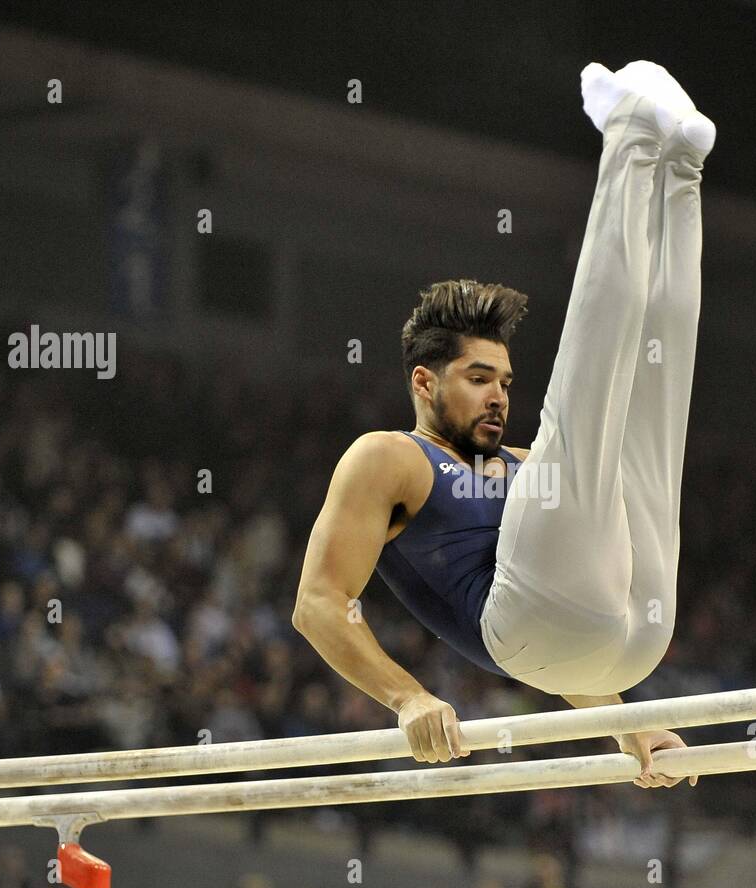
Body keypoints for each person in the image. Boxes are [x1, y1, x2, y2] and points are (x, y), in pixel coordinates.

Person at [294, 62, 714, 788]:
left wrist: (633, 728)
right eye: (479, 379)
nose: (498, 397)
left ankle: (680, 172)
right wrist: (407, 697)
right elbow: (318, 603)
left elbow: (569, 620)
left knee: (649, 407)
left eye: (505, 382)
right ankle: (632, 141)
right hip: (525, 629)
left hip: (631, 635)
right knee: (587, 412)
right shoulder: (390, 458)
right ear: (424, 382)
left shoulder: (524, 465)